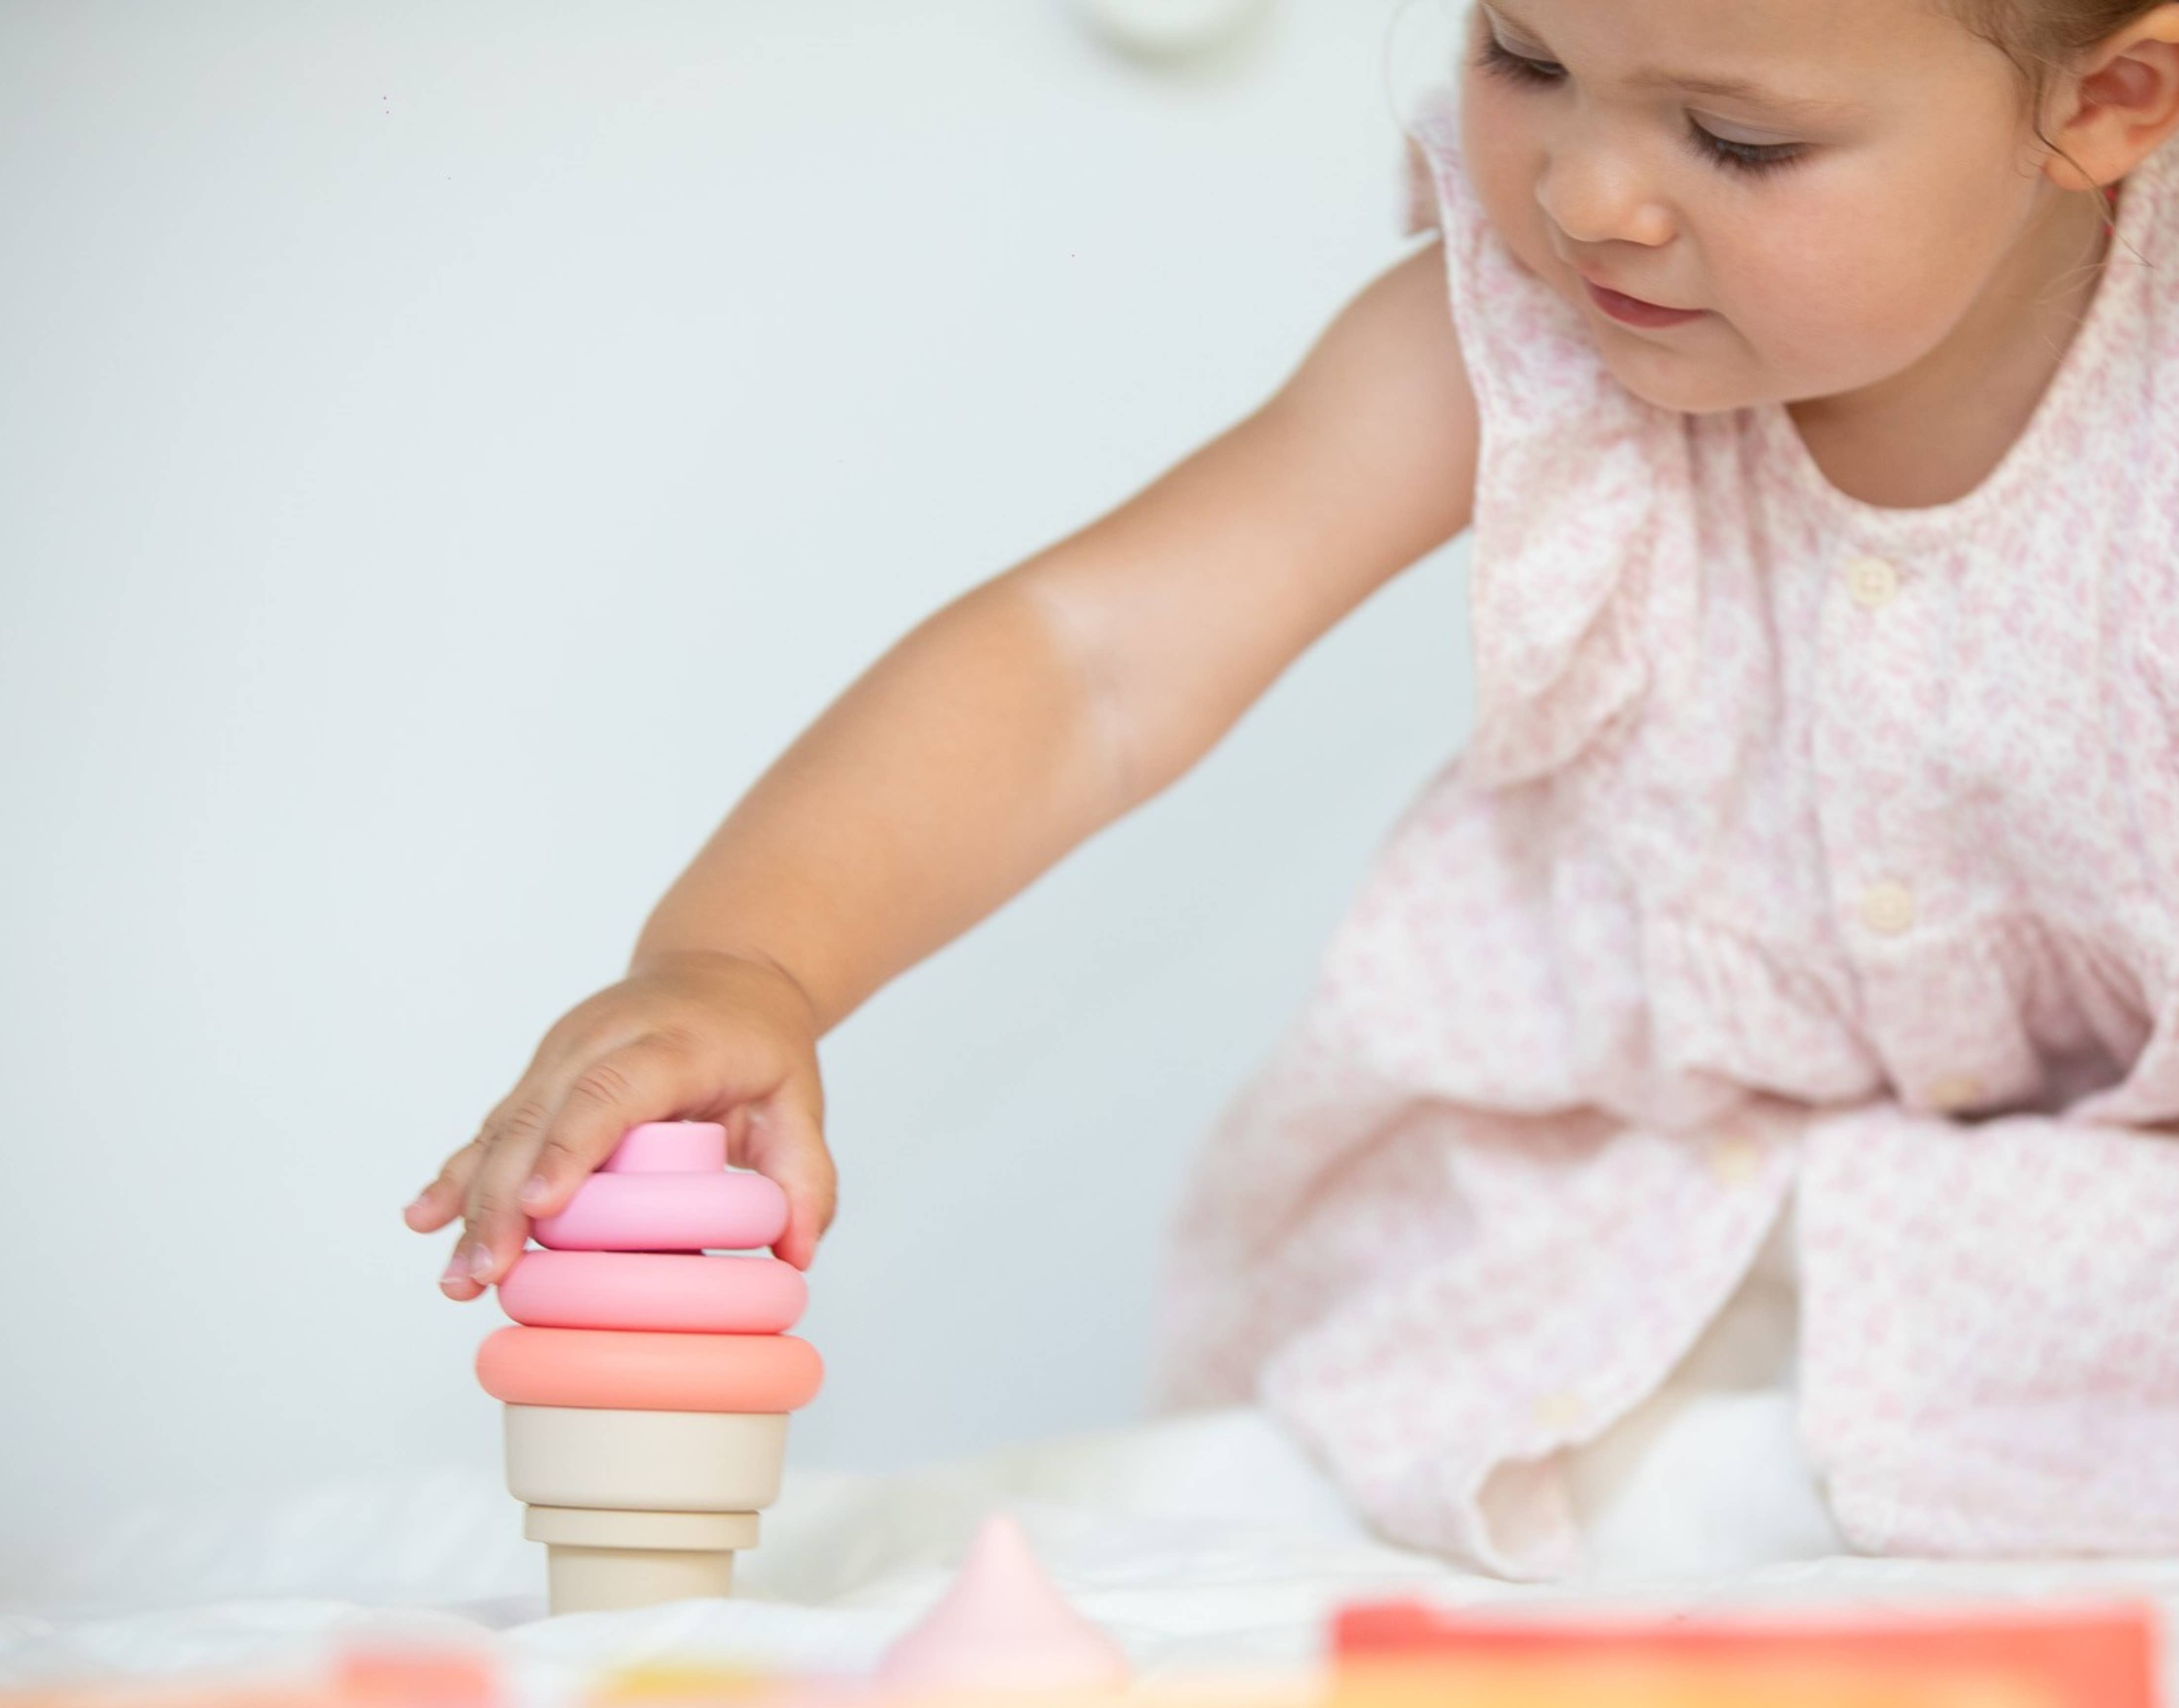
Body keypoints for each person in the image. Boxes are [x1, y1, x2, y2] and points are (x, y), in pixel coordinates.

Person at [405, 0, 2179, 1578]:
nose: (1587, 196)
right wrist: (745, 960)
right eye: (1523, 56)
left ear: (2109, 104)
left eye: (1738, 140)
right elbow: (1095, 663)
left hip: (2117, 1272)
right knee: (1357, 1525)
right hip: (1605, 1249)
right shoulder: (1524, 337)